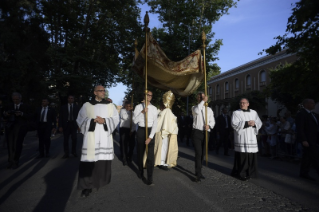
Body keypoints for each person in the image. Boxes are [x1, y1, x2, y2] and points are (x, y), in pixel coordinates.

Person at [76, 85, 119, 197]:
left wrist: (104, 120)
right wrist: (92, 120)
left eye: (104, 90)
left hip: (104, 138)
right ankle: (86, 187)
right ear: (95, 92)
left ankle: (100, 182)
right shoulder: (87, 105)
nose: (103, 92)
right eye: (100, 91)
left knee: (101, 162)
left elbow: (115, 119)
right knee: (88, 162)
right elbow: (80, 119)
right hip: (91, 138)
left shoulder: (110, 106)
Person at [231, 98, 262, 181]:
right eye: (241, 103)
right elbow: (234, 124)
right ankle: (241, 173)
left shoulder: (254, 112)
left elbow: (259, 123)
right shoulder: (236, 113)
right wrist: (247, 123)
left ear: (248, 104)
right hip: (242, 137)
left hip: (251, 136)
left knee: (251, 156)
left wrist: (254, 123)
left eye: (244, 103)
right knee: (242, 156)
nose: (242, 104)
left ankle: (251, 173)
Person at [133, 90, 158, 186]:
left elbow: (155, 123)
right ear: (144, 95)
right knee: (140, 153)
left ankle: (150, 178)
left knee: (150, 156)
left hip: (150, 130)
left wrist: (150, 137)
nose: (149, 97)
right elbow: (135, 121)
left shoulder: (154, 108)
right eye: (148, 95)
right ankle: (140, 171)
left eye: (151, 95)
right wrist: (142, 112)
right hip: (141, 130)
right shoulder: (138, 107)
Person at [3, 92, 32, 169]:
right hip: (10, 127)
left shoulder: (26, 106)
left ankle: (16, 161)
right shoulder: (8, 106)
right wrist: (6, 114)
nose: (15, 101)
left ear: (20, 99)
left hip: (21, 127)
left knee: (17, 144)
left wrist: (21, 114)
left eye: (17, 99)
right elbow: (3, 115)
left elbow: (30, 116)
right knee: (10, 145)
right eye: (14, 99)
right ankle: (10, 161)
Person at [192, 92, 215, 183]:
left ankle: (199, 171)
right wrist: (203, 102)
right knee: (198, 153)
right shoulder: (194, 108)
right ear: (198, 98)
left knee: (203, 153)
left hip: (206, 133)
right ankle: (197, 174)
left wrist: (209, 126)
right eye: (200, 97)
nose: (202, 98)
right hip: (197, 133)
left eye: (203, 97)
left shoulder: (209, 110)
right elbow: (197, 111)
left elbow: (213, 121)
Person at [152, 91, 178, 170]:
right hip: (161, 132)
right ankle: (161, 162)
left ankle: (164, 161)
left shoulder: (168, 111)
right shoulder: (160, 111)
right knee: (161, 147)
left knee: (165, 147)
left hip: (166, 133)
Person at [296, 99, 319, 181]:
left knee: (307, 157)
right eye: (312, 103)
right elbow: (300, 128)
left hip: (314, 139)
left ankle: (304, 173)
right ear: (306, 104)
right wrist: (303, 140)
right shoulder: (301, 114)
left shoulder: (313, 114)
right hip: (308, 140)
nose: (314, 105)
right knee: (315, 156)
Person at [119, 101, 136, 165]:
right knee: (124, 144)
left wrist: (132, 130)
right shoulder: (123, 111)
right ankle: (124, 159)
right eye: (127, 106)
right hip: (124, 129)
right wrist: (129, 112)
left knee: (132, 145)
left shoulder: (133, 113)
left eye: (130, 106)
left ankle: (130, 156)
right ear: (125, 106)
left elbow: (134, 122)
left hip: (131, 130)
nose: (128, 107)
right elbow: (125, 117)